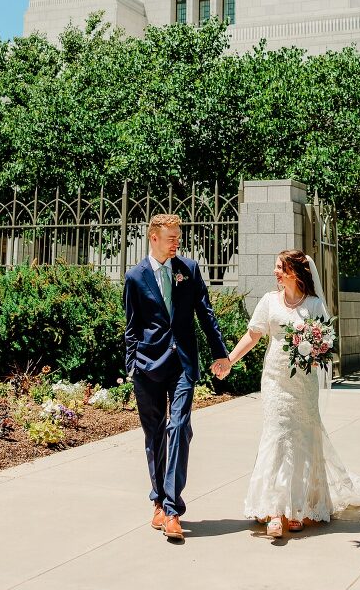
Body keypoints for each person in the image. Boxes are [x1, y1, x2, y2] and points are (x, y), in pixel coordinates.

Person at [216, 249, 360, 539]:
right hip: (275, 381)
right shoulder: (268, 302)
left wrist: (313, 351)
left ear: (295, 272)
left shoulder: (314, 305)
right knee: (277, 436)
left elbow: (325, 344)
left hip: (303, 383)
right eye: (276, 267)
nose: (275, 271)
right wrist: (229, 360)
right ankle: (276, 511)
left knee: (302, 439)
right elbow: (253, 336)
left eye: (281, 267)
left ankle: (300, 507)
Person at [124, 213, 231, 542]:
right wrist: (131, 366)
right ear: (153, 238)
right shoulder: (135, 277)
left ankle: (172, 509)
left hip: (183, 362)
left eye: (178, 236)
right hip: (148, 364)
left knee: (179, 426)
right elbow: (131, 327)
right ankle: (158, 500)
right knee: (154, 435)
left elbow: (205, 313)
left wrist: (220, 353)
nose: (177, 242)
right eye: (171, 237)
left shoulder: (189, 269)